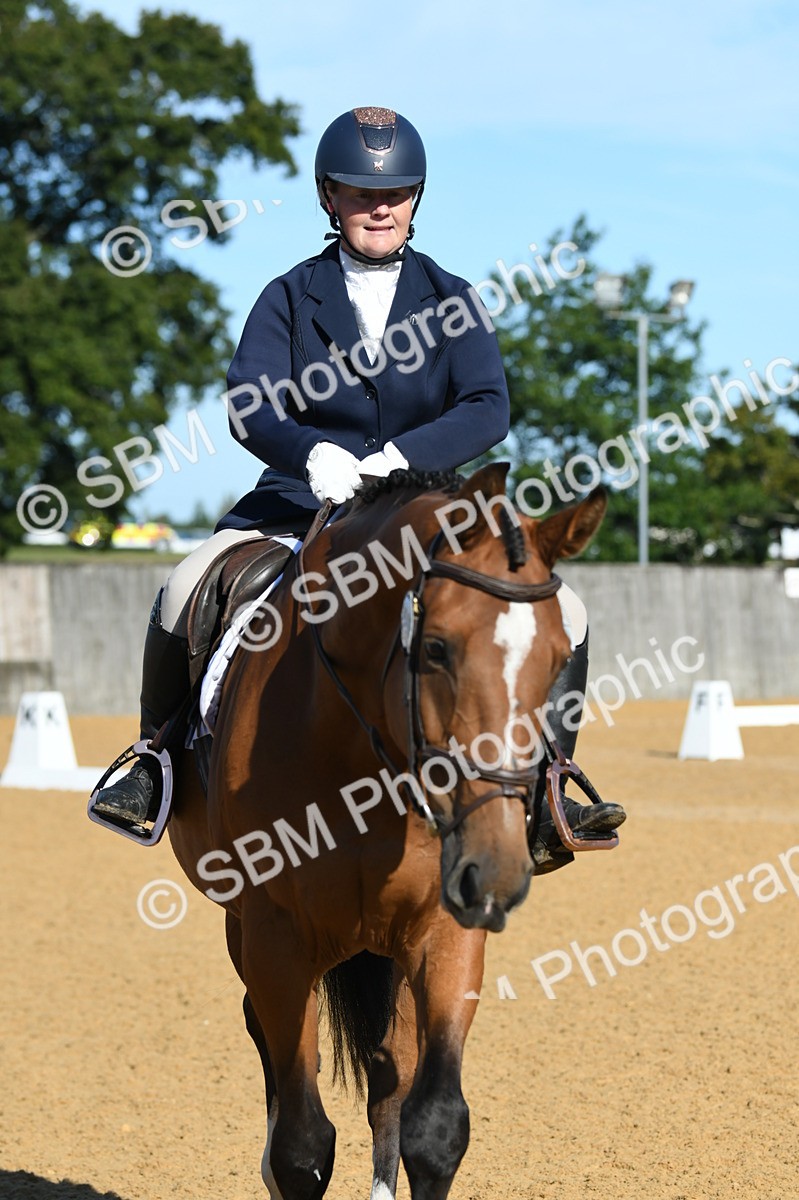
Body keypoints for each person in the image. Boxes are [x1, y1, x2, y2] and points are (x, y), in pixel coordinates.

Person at [90, 106, 624, 865]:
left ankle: (548, 784)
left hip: (429, 510)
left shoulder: (452, 297)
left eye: (398, 192)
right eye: (359, 191)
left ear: (416, 198)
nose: (380, 206)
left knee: (562, 604)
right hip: (301, 505)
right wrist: (308, 452)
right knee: (186, 582)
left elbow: (487, 406)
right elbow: (251, 401)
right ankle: (156, 761)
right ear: (328, 196)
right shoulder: (288, 295)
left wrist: (402, 456)